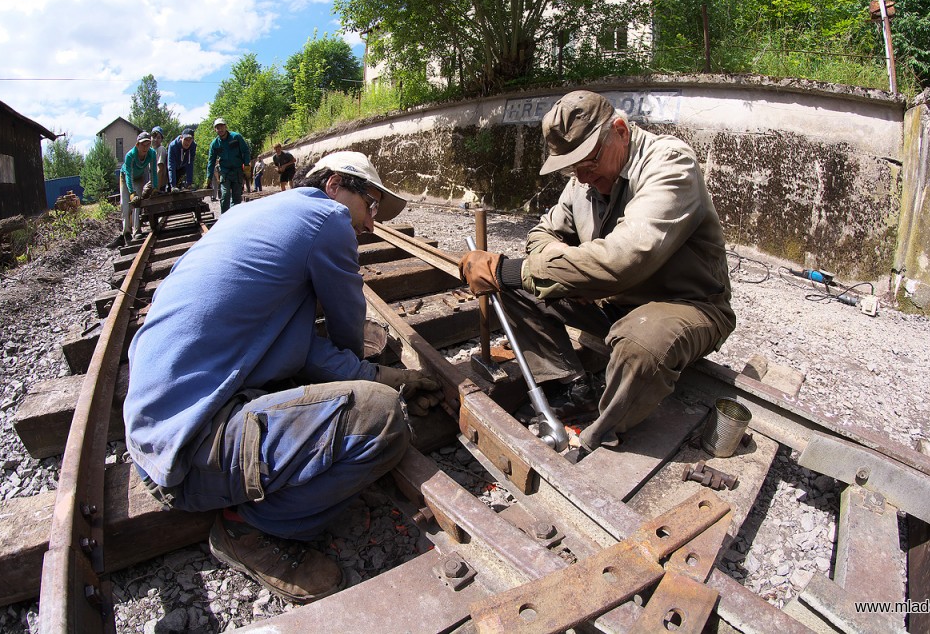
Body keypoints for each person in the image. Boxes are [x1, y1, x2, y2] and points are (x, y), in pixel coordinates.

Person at [124, 151, 441, 604]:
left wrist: (383, 373)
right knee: (381, 417)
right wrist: (372, 383)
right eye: (370, 204)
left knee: (344, 394)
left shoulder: (250, 215)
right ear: (333, 185)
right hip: (191, 451)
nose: (371, 224)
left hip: (157, 436)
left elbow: (303, 349)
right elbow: (347, 322)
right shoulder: (326, 217)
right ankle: (250, 531)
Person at [459, 90, 736, 459]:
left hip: (686, 304)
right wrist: (573, 268)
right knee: (512, 288)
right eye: (573, 169)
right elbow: (543, 233)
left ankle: (601, 432)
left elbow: (625, 259)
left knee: (639, 342)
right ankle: (572, 385)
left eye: (588, 164)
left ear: (619, 130)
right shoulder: (582, 179)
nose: (583, 178)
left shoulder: (669, 165)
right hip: (613, 302)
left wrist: (530, 270)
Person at [108, 131, 158, 248]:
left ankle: (137, 230)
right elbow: (129, 176)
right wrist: (132, 193)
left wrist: (155, 188)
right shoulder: (130, 155)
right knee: (125, 205)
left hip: (138, 178)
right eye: (143, 144)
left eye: (148, 144)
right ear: (137, 145)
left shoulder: (151, 153)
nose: (145, 147)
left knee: (138, 203)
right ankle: (126, 233)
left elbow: (154, 172)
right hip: (126, 178)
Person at [205, 117, 251, 212]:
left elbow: (246, 151)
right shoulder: (214, 144)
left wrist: (246, 166)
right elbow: (211, 161)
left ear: (225, 127)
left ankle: (235, 217)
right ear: (215, 130)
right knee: (225, 196)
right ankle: (225, 218)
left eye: (222, 127)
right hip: (225, 173)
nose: (220, 129)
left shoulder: (236, 137)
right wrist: (208, 178)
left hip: (237, 171)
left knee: (237, 197)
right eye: (218, 128)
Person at [151, 126, 170, 192]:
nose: (155, 139)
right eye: (154, 137)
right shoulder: (151, 151)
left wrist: (156, 188)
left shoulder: (161, 149)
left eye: (158, 138)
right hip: (152, 184)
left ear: (161, 139)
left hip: (159, 185)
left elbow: (160, 169)